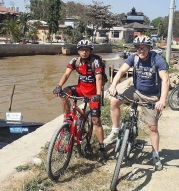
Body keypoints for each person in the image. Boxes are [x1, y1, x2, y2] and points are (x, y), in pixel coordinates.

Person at [104, 35, 169, 171]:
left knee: (153, 128)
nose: (141, 51)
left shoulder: (157, 60)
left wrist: (162, 100)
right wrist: (113, 86)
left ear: (149, 48)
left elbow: (165, 80)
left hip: (151, 96)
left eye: (144, 48)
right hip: (135, 90)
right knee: (114, 101)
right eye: (138, 48)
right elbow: (121, 70)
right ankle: (115, 130)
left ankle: (155, 155)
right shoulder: (133, 58)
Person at [53, 39, 106, 158]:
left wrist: (97, 95)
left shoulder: (95, 61)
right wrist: (58, 86)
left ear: (91, 51)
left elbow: (98, 79)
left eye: (87, 50)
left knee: (96, 121)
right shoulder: (75, 61)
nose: (84, 52)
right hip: (81, 89)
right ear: (78, 51)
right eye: (82, 50)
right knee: (64, 93)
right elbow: (66, 74)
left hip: (93, 93)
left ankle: (102, 146)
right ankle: (67, 120)